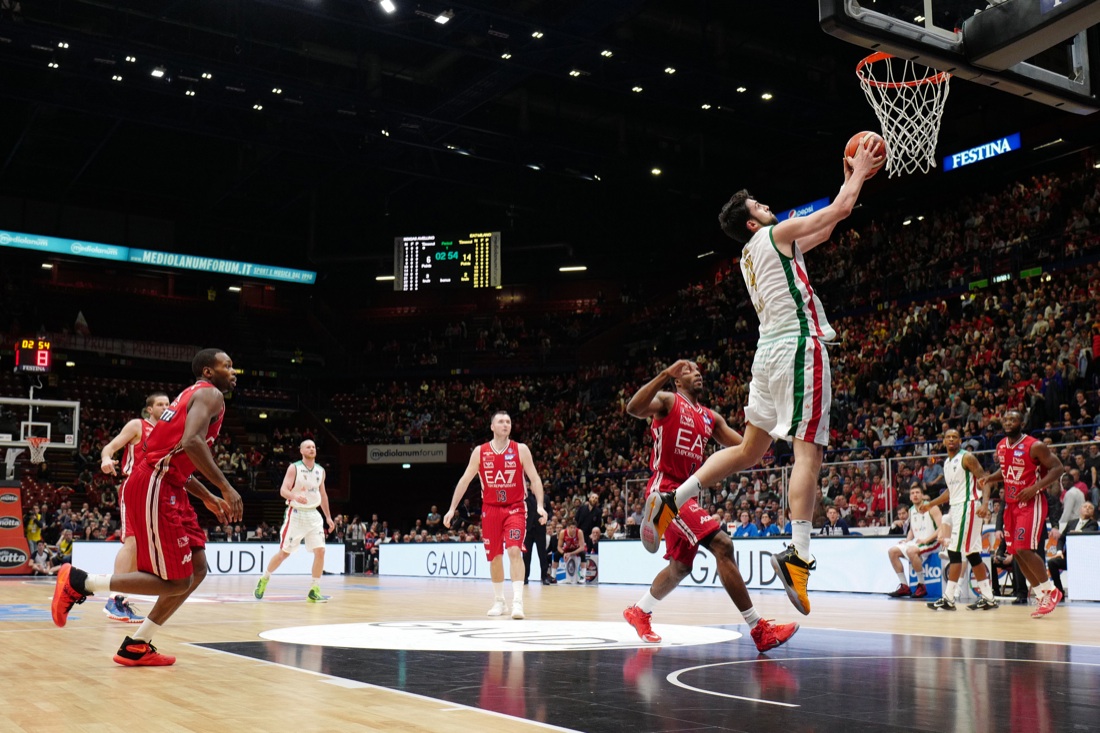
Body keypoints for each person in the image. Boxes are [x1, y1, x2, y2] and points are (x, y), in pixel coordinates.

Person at [640, 137, 883, 616]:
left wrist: (849, 179)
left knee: (751, 450)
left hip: (766, 354)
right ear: (752, 221)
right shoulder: (774, 235)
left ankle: (674, 497)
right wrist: (859, 171)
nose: (769, 205)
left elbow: (832, 223)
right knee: (807, 450)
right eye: (761, 204)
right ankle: (799, 555)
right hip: (798, 346)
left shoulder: (754, 251)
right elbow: (841, 206)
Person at [51, 349, 244, 666]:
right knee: (177, 581)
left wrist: (207, 496)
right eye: (228, 365)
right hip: (156, 483)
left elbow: (177, 455)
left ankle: (137, 644)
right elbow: (193, 442)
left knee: (197, 569)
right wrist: (225, 487)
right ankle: (81, 582)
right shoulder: (210, 394)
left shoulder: (190, 394)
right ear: (209, 372)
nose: (234, 371)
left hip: (169, 483)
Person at [623, 360, 798, 652]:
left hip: (687, 495)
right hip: (666, 490)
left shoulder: (710, 417)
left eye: (698, 370)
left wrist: (776, 428)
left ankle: (639, 612)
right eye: (689, 370)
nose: (697, 372)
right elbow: (633, 408)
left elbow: (746, 449)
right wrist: (665, 373)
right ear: (678, 380)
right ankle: (759, 630)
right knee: (722, 545)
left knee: (680, 568)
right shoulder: (668, 401)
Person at [443, 410, 546, 619]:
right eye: (501, 421)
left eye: (508, 421)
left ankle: (518, 601)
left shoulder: (521, 449)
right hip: (490, 509)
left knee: (515, 550)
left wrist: (540, 505)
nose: (505, 424)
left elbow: (535, 479)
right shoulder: (480, 452)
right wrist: (452, 508)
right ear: (492, 426)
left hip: (516, 507)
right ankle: (500, 601)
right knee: (495, 557)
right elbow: (464, 480)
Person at [979, 410, 1066, 617]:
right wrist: (990, 478)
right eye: (1006, 419)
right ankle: (1041, 595)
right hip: (1010, 505)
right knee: (1017, 553)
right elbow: (1007, 470)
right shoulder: (1001, 446)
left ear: (1022, 422)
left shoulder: (1035, 445)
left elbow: (1058, 468)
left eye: (1013, 419)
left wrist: (1035, 488)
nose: (1008, 422)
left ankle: (1051, 590)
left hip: (1031, 502)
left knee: (1025, 549)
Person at [97, 391, 171, 623]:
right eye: (160, 404)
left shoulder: (168, 432)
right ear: (150, 409)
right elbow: (110, 447)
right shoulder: (137, 425)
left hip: (156, 491)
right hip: (135, 488)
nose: (165, 407)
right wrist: (106, 460)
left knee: (141, 549)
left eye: (168, 404)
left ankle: (122, 599)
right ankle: (114, 598)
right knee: (132, 542)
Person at [918, 429, 998, 611]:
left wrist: (985, 505)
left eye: (955, 437)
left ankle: (949, 598)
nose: (952, 439)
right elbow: (950, 492)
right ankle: (988, 597)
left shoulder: (967, 457)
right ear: (944, 441)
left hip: (968, 506)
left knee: (954, 552)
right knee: (971, 553)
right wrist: (930, 504)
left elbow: (985, 480)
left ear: (960, 440)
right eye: (948, 437)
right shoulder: (946, 463)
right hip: (957, 506)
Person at [254, 440, 335, 602]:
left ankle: (314, 589)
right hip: (296, 514)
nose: (312, 449)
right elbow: (283, 490)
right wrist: (294, 496)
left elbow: (323, 495)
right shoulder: (294, 468)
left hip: (314, 515)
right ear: (301, 451)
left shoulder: (320, 471)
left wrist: (328, 517)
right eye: (308, 447)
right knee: (284, 553)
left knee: (321, 551)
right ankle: (264, 579)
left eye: (313, 446)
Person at [886, 486, 941, 598]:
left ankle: (921, 585)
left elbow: (941, 527)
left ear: (922, 495)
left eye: (917, 492)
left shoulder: (932, 507)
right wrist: (906, 540)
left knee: (911, 551)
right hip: (918, 542)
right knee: (892, 551)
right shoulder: (911, 510)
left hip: (933, 542)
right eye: (912, 493)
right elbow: (912, 529)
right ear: (910, 497)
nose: (915, 495)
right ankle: (905, 586)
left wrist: (927, 539)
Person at [1047, 501, 1098, 597]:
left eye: (1090, 507)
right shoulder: (1071, 523)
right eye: (1085, 506)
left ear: (1092, 513)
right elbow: (1061, 539)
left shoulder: (1093, 524)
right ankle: (1059, 591)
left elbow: (1089, 531)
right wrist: (1059, 551)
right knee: (1052, 562)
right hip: (1069, 558)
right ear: (1080, 510)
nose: (1087, 508)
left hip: (1084, 559)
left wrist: (1077, 531)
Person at [521, 489, 551, 585]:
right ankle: (525, 577)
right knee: (526, 555)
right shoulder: (524, 498)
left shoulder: (545, 498)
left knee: (542, 554)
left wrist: (546, 517)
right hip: (528, 529)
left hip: (540, 529)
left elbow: (550, 512)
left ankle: (544, 576)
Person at [558, 519, 587, 584]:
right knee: (557, 554)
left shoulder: (579, 532)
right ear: (568, 528)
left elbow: (582, 547)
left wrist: (570, 554)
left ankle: (582, 576)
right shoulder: (563, 532)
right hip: (567, 549)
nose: (573, 529)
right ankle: (553, 576)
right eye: (571, 528)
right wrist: (564, 553)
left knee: (583, 554)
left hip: (577, 548)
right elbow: (559, 547)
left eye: (574, 528)